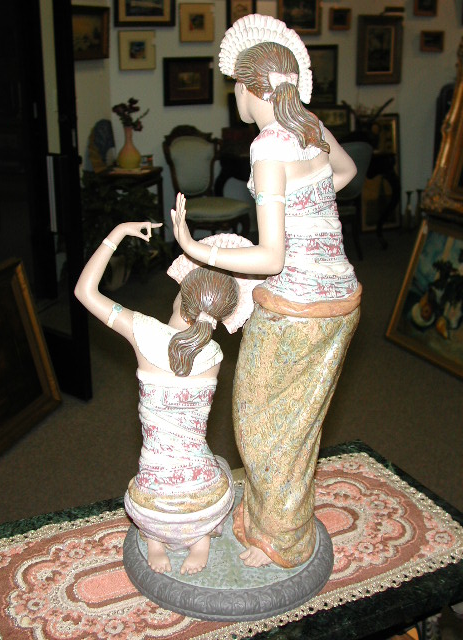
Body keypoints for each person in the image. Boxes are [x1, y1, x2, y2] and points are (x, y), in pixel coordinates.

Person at [171, 14, 362, 569]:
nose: (233, 93)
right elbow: (345, 172)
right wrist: (309, 209)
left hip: (298, 307)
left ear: (250, 88)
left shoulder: (268, 145)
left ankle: (283, 539)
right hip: (340, 299)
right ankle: (271, 523)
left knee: (261, 427)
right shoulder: (308, 126)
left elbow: (272, 257)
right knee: (295, 424)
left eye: (234, 83)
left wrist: (197, 248)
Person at [74, 221, 241, 575]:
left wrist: (117, 233)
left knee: (153, 481)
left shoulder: (143, 331)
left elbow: (84, 291)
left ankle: (154, 539)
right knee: (218, 466)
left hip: (154, 501)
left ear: (181, 296)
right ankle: (200, 539)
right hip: (205, 500)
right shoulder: (214, 356)